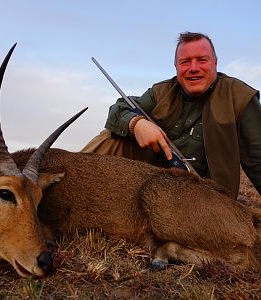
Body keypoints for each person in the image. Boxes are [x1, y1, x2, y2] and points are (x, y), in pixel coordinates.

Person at [82, 32, 261, 200]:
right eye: (185, 62)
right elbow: (119, 108)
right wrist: (136, 124)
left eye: (202, 60)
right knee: (110, 137)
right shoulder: (161, 92)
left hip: (207, 200)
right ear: (176, 66)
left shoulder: (240, 96)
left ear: (215, 63)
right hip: (153, 187)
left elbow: (258, 159)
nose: (193, 68)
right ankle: (68, 188)